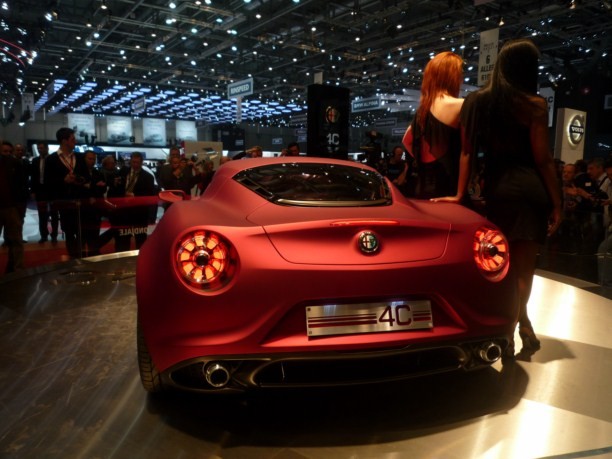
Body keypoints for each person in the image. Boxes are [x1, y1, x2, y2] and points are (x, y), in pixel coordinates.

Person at [434, 39, 562, 357]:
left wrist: (460, 194)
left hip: (497, 191)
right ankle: (522, 326)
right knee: (523, 270)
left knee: (498, 268)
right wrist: (558, 203)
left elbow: (466, 152)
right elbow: (543, 160)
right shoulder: (533, 104)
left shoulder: (477, 101)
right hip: (531, 191)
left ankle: (510, 328)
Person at [402, 51, 464, 199]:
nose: (462, 79)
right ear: (452, 76)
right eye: (460, 73)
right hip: (448, 190)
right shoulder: (460, 105)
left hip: (422, 188)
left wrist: (421, 160)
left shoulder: (422, 111)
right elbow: (466, 152)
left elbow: (406, 140)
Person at [45, 127, 86, 258]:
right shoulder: (51, 160)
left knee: (82, 232)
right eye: (72, 139)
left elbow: (87, 176)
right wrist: (64, 180)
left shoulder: (79, 157)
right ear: (64, 141)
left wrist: (78, 179)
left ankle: (82, 257)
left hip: (81, 202)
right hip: (64, 203)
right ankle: (73, 259)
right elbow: (48, 182)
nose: (75, 141)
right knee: (69, 232)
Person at [111, 152, 157, 252]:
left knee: (140, 239)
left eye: (137, 162)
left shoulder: (148, 177)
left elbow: (150, 194)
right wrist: (115, 184)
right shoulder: (123, 171)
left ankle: (141, 258)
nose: (135, 164)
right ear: (130, 161)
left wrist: (135, 196)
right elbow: (115, 188)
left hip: (139, 213)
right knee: (123, 239)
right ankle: (121, 259)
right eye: (133, 162)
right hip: (123, 213)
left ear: (141, 162)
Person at [0, 141, 26, 272]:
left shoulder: (15, 163)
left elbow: (22, 186)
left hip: (12, 207)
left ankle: (17, 269)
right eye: (5, 151)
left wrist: (20, 208)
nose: (7, 154)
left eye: (9, 152)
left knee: (16, 240)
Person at [30, 141, 60, 244]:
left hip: (52, 191)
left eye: (41, 148)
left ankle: (54, 235)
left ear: (47, 148)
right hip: (40, 191)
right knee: (42, 214)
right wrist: (33, 191)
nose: (39, 150)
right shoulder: (35, 160)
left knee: (54, 214)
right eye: (38, 148)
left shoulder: (54, 159)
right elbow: (33, 177)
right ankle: (44, 235)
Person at [79, 150, 106, 256]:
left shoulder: (98, 173)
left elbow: (103, 189)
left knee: (95, 233)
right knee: (83, 234)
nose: (92, 161)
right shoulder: (79, 172)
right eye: (89, 158)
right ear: (84, 159)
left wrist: (91, 187)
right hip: (83, 209)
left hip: (95, 209)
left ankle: (94, 251)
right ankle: (81, 254)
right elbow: (79, 189)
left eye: (94, 159)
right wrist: (94, 187)